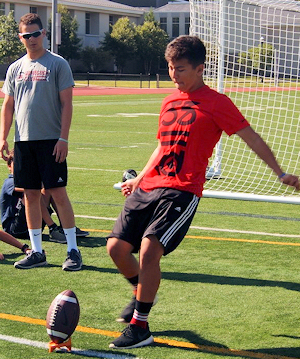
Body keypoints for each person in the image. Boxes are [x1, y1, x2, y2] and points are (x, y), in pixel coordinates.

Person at [106, 35, 299, 350]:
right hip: (151, 186)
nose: (174, 74)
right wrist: (139, 178)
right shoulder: (169, 101)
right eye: (170, 67)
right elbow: (162, 147)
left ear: (200, 68)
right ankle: (140, 292)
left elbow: (251, 138)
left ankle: (139, 327)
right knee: (115, 248)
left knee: (149, 251)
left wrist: (280, 172)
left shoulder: (217, 103)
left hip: (182, 190)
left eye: (180, 68)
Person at [0, 13, 82, 271]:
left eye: (36, 34)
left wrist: (63, 138)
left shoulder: (57, 64)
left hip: (51, 141)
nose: (32, 39)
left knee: (58, 194)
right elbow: (8, 105)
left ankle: (72, 250)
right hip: (23, 142)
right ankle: (37, 251)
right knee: (31, 196)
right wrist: (3, 137)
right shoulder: (15, 68)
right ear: (20, 37)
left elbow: (67, 103)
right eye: (27, 35)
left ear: (44, 34)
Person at [0, 150, 66, 243]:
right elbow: (30, 189)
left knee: (48, 191)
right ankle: (52, 228)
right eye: (17, 164)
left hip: (32, 223)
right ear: (9, 166)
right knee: (32, 194)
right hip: (14, 229)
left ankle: (65, 226)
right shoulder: (10, 181)